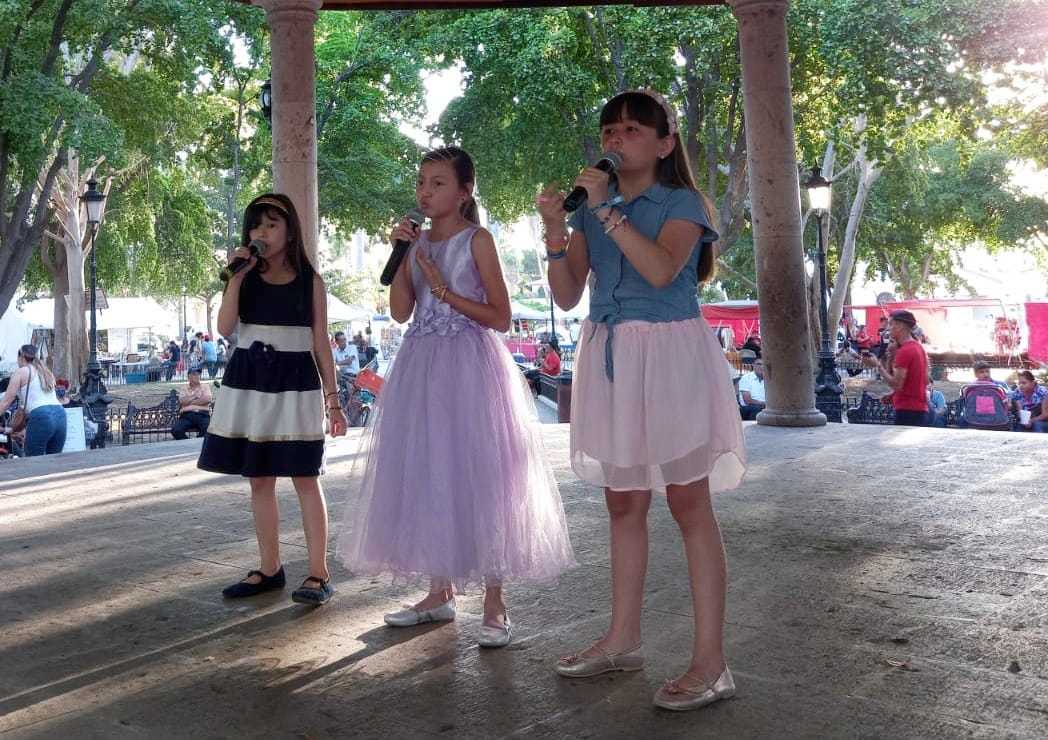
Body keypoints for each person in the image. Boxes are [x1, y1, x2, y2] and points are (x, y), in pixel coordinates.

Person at [537, 89, 746, 711]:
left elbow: (660, 271)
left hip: (671, 353)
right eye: (609, 130)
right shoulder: (591, 212)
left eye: (630, 130)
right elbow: (569, 292)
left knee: (688, 501)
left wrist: (605, 215)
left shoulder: (683, 203)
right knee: (622, 503)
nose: (615, 140)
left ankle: (712, 663)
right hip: (608, 352)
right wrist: (555, 232)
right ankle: (622, 639)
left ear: (664, 143)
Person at [337, 146, 574, 649]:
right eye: (422, 182)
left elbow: (501, 317)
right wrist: (402, 256)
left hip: (470, 365)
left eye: (438, 182)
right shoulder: (415, 241)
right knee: (426, 470)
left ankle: (494, 601)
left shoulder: (478, 240)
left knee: (482, 474)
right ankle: (437, 591)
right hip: (420, 366)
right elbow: (401, 312)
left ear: (465, 190)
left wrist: (445, 291)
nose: (425, 191)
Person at [198, 193, 348, 606]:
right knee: (260, 478)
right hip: (250, 379)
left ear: (290, 231)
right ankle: (270, 567)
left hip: (296, 381)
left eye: (271, 225)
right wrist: (237, 277)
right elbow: (226, 326)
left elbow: (321, 342)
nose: (262, 233)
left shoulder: (309, 280)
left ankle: (319, 572)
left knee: (304, 476)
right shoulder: (242, 276)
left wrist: (334, 402)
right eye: (256, 225)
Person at [862, 310, 928, 426]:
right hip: (917, 408)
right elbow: (920, 381)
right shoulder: (918, 347)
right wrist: (893, 396)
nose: (888, 328)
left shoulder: (905, 351)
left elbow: (897, 384)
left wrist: (878, 366)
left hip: (908, 410)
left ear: (900, 326)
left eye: (891, 324)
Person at [0, 344, 67, 456]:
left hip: (42, 416)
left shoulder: (21, 372)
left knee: (34, 461)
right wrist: (11, 429)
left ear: (20, 357)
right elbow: (28, 406)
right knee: (55, 461)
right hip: (60, 415)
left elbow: (6, 402)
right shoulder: (45, 372)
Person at [172, 367, 212, 440]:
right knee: (176, 430)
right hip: (187, 416)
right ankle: (188, 444)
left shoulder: (205, 386)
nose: (197, 376)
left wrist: (189, 402)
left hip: (203, 414)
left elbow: (207, 399)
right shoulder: (184, 388)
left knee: (208, 430)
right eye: (194, 374)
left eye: (198, 374)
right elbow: (182, 401)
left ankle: (196, 444)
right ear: (189, 377)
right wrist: (195, 396)